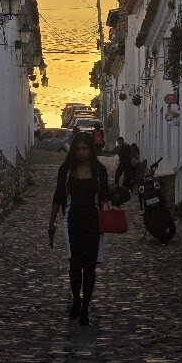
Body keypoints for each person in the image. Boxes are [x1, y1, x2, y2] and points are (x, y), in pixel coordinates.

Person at [48, 132, 109, 326]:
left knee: (90, 267)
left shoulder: (99, 171)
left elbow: (104, 197)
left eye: (85, 149)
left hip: (93, 222)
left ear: (91, 150)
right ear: (74, 151)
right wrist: (51, 222)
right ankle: (76, 297)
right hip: (70, 221)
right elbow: (58, 196)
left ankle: (85, 308)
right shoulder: (66, 170)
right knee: (75, 265)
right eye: (78, 149)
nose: (82, 152)